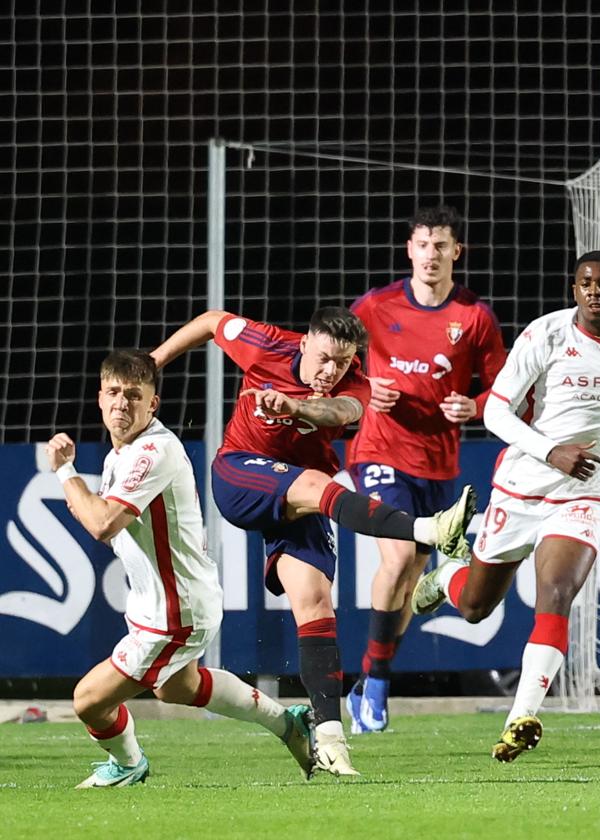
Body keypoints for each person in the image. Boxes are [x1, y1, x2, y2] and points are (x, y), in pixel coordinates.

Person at [150, 307, 476, 775]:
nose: (331, 371)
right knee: (319, 487)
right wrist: (154, 361)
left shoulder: (355, 384)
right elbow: (210, 321)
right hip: (240, 472)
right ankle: (428, 529)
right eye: (324, 358)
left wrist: (296, 405)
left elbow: (342, 411)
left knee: (316, 603)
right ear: (304, 343)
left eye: (341, 363)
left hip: (298, 494)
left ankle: (328, 738)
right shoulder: (266, 344)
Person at [410, 251, 600, 762]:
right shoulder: (544, 336)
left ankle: (520, 717)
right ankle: (448, 575)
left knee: (557, 592)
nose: (594, 290)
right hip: (523, 486)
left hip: (584, 493)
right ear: (574, 289)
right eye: (586, 282)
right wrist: (552, 451)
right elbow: (497, 411)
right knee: (475, 607)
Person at [48, 350, 314, 788]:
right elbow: (100, 514)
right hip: (159, 604)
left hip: (174, 612)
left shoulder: (154, 451)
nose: (121, 404)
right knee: (176, 687)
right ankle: (288, 724)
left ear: (153, 403)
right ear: (99, 398)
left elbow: (100, 523)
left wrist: (64, 472)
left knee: (89, 701)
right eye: (113, 392)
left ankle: (129, 763)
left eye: (134, 395)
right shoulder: (122, 454)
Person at [344, 206, 506, 735]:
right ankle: (379, 682)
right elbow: (328, 363)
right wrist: (366, 391)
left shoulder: (475, 317)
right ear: (409, 250)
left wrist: (474, 408)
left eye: (441, 246)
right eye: (422, 245)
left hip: (438, 464)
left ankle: (371, 674)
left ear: (456, 252)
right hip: (379, 453)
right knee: (397, 561)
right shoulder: (375, 307)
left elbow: (501, 390)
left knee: (413, 575)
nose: (431, 255)